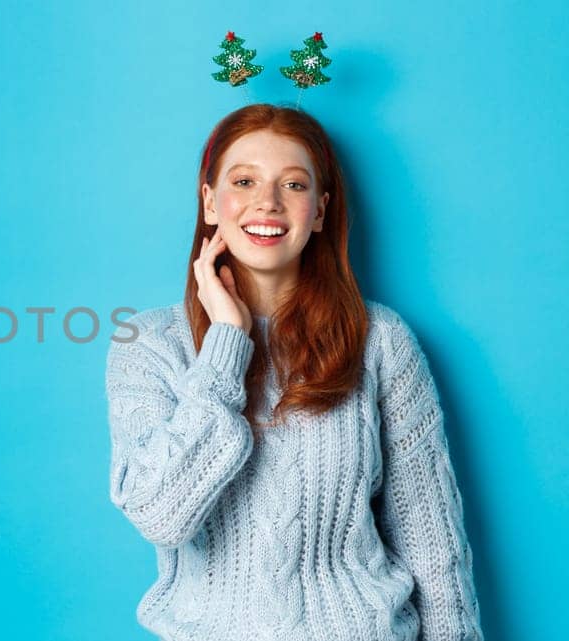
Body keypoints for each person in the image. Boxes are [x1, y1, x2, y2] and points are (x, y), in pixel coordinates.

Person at [105, 104, 484, 640]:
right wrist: (227, 344)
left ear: (321, 211)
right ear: (210, 201)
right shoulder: (148, 345)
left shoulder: (380, 340)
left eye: (294, 184)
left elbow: (432, 542)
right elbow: (161, 514)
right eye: (244, 180)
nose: (268, 202)